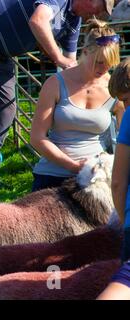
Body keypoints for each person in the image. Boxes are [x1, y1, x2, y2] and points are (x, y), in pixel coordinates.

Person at [0, 0, 115, 189]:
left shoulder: (73, 21)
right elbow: (38, 21)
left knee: (4, 109)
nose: (98, 14)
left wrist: (93, 81)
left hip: (2, 53)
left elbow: (71, 63)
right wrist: (58, 58)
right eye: (100, 7)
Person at [30, 20, 124, 192]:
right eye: (99, 62)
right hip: (53, 173)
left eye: (110, 63)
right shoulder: (55, 83)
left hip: (96, 177)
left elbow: (126, 137)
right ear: (85, 51)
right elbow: (37, 137)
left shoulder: (116, 89)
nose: (104, 69)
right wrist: (73, 166)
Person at [97, 58, 130, 300]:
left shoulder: (129, 117)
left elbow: (118, 181)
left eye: (126, 99)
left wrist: (123, 216)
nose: (125, 106)